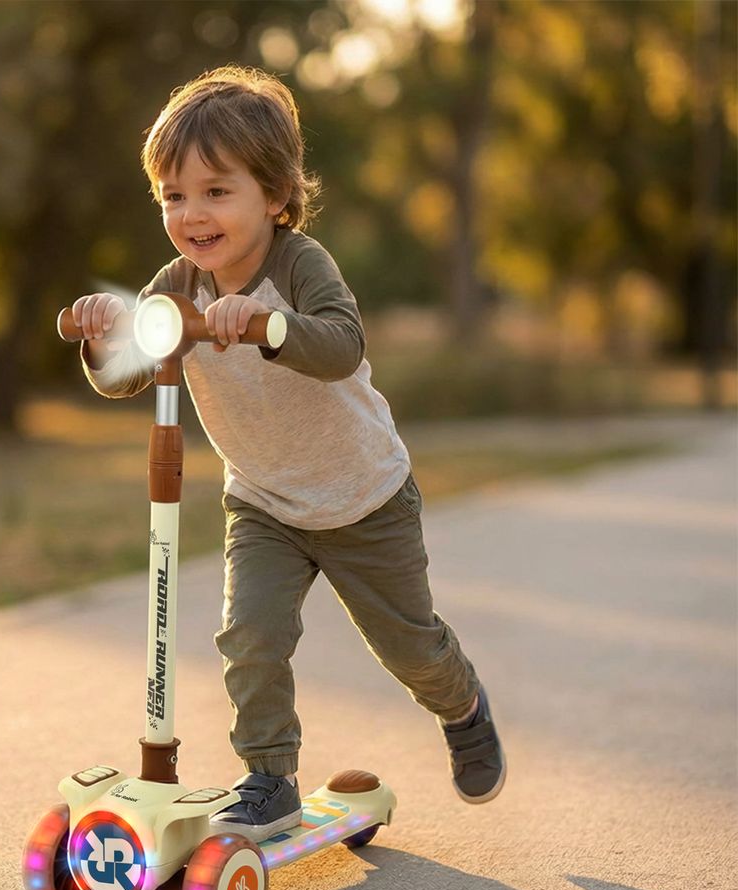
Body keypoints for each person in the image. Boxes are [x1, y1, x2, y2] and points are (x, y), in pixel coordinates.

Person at [70, 65, 505, 841]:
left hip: (362, 497)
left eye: (216, 191)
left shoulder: (302, 265)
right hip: (264, 501)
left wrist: (268, 326)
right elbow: (124, 377)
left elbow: (342, 346)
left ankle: (462, 704)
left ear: (273, 195)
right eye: (174, 196)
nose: (192, 215)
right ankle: (269, 778)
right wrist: (107, 335)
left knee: (409, 648)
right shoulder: (177, 284)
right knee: (250, 638)